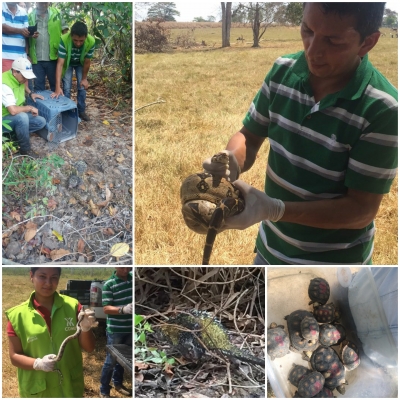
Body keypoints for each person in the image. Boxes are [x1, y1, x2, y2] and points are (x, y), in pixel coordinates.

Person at [203, 3, 397, 265]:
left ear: (368, 43)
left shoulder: (383, 109)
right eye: (307, 30)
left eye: (333, 40)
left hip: (335, 263)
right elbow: (249, 137)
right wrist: (230, 160)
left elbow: (361, 210)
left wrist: (275, 209)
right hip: (270, 250)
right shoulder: (283, 72)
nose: (313, 50)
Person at [5, 267, 97, 398]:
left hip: (69, 388)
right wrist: (37, 363)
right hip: (38, 390)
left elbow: (89, 348)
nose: (48, 283)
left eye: (54, 278)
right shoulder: (17, 316)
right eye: (42, 276)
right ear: (31, 276)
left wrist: (86, 328)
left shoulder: (73, 306)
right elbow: (14, 357)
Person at [2, 57, 47, 159]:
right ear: (15, 72)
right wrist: (29, 108)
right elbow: (13, 111)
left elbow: (21, 85)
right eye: (24, 76)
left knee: (41, 121)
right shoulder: (4, 83)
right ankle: (25, 150)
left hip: (13, 117)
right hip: (4, 118)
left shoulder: (18, 78)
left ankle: (13, 135)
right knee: (22, 117)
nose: (26, 80)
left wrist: (31, 93)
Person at [51, 20, 95, 121]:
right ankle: (65, 111)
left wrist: (84, 79)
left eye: (81, 41)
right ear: (71, 35)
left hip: (81, 63)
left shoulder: (91, 41)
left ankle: (81, 111)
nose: (78, 43)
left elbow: (87, 62)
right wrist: (58, 87)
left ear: (86, 37)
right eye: (75, 40)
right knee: (66, 87)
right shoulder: (64, 39)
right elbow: (60, 63)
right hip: (68, 63)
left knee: (82, 87)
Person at [100, 268, 132, 398]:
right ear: (115, 267)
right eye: (122, 267)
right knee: (110, 362)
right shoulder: (109, 284)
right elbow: (106, 309)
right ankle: (104, 390)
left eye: (128, 266)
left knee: (123, 361)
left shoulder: (132, 278)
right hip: (116, 330)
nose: (126, 269)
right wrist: (123, 310)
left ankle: (118, 384)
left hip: (130, 329)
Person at [28, 2, 69, 92]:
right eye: (41, 2)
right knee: (38, 87)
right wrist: (27, 53)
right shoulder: (30, 15)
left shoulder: (57, 13)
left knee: (55, 85)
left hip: (53, 56)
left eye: (45, 2)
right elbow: (26, 35)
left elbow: (65, 32)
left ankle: (57, 105)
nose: (43, 4)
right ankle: (41, 106)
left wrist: (63, 50)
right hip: (36, 58)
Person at [2, 2, 37, 72]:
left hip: (22, 57)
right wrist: (20, 31)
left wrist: (31, 34)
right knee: (7, 82)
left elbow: (25, 34)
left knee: (23, 82)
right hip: (4, 56)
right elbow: (3, 28)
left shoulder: (23, 12)